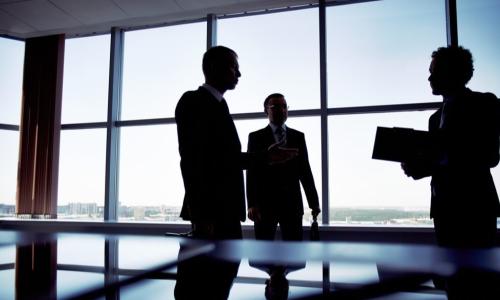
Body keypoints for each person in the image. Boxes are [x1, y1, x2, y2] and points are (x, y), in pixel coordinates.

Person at [174, 46, 297, 299]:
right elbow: (192, 161)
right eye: (233, 67)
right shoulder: (193, 101)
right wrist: (201, 214)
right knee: (199, 287)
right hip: (210, 215)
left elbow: (224, 159)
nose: (239, 74)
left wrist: (265, 157)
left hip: (225, 213)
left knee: (219, 284)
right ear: (214, 68)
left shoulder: (220, 105)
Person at [401, 45, 500, 298]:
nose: (429, 77)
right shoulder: (435, 118)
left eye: (434, 72)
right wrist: (417, 167)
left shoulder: (484, 103)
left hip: (475, 208)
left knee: (479, 284)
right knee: (454, 285)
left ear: (453, 73)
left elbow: (489, 156)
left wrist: (435, 161)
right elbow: (440, 162)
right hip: (444, 211)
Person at [246, 93, 321, 241]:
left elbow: (305, 171)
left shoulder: (298, 137)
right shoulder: (255, 137)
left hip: (292, 204)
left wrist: (314, 203)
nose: (282, 110)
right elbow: (251, 172)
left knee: (294, 255)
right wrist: (252, 204)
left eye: (284, 106)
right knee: (263, 253)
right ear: (266, 111)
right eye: (276, 106)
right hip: (264, 205)